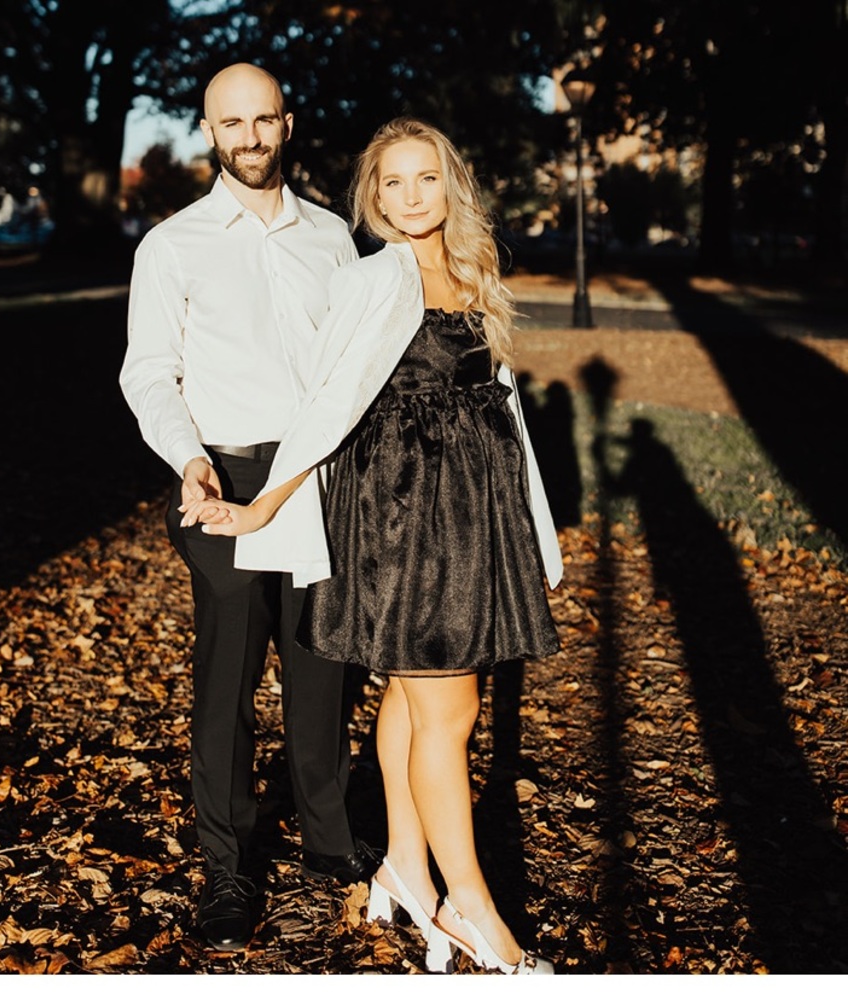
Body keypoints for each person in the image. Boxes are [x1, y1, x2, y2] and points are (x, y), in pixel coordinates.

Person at [182, 117, 562, 974]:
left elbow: (503, 406)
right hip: (403, 517)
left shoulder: (472, 268)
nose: (410, 196)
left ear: (450, 183)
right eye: (392, 183)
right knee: (451, 711)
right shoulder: (375, 278)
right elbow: (327, 405)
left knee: (410, 701)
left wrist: (529, 529)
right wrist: (261, 507)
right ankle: (473, 910)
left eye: (425, 178)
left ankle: (401, 864)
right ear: (374, 196)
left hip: (472, 513)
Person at [119, 63, 380, 953]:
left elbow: (351, 370)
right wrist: (189, 461)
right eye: (233, 124)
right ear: (209, 131)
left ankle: (329, 840)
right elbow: (150, 372)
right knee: (226, 678)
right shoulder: (173, 245)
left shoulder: (334, 241)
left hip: (315, 479)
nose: (250, 138)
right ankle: (227, 866)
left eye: (264, 120)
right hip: (221, 478)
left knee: (322, 669)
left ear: (288, 124)